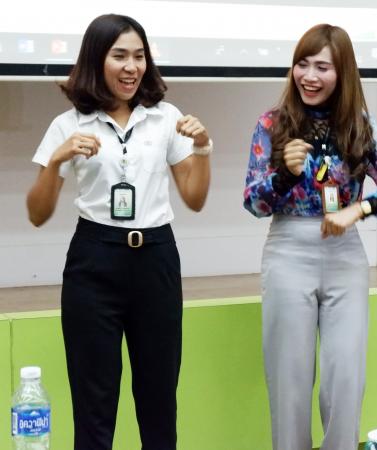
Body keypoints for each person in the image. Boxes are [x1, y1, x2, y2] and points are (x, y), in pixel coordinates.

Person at [26, 14, 212, 450]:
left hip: (156, 259)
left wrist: (203, 148)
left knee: (159, 401)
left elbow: (194, 198)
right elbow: (37, 213)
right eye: (120, 56)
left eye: (139, 56)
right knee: (93, 405)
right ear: (97, 60)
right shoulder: (69, 123)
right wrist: (56, 161)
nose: (132, 67)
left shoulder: (165, 118)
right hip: (94, 261)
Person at [243, 24, 377, 450]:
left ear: (343, 73)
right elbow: (253, 201)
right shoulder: (272, 124)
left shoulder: (360, 126)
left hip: (345, 255)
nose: (309, 76)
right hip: (288, 251)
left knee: (345, 378)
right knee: (289, 380)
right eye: (302, 64)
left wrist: (361, 208)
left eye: (322, 67)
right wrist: (284, 174)